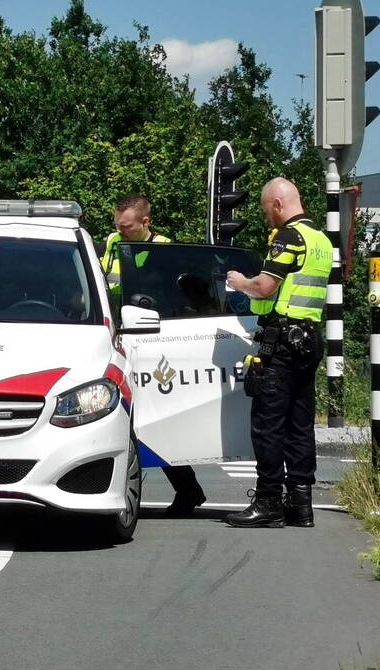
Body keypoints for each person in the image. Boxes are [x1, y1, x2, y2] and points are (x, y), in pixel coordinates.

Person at [224, 178, 332, 528]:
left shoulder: (290, 236)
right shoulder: (321, 240)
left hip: (283, 340)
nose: (267, 216)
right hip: (310, 338)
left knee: (268, 424)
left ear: (276, 203)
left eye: (265, 209)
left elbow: (266, 285)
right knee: (300, 424)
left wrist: (240, 282)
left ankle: (268, 500)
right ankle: (301, 505)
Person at [101, 194, 207, 517]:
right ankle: (185, 490)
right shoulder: (112, 242)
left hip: (153, 340)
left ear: (145, 223)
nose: (121, 232)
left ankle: (188, 489)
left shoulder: (163, 247)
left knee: (153, 418)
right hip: (117, 338)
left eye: (127, 227)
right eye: (118, 226)